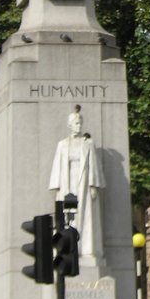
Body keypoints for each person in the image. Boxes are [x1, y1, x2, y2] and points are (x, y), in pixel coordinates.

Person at [48, 105, 105, 257]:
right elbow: (57, 166)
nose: (79, 126)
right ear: (69, 125)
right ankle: (69, 248)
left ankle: (86, 249)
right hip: (68, 183)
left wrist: (93, 185)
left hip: (83, 181)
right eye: (76, 123)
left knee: (85, 215)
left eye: (80, 123)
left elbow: (93, 164)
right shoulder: (62, 144)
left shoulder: (88, 144)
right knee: (68, 216)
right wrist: (57, 187)